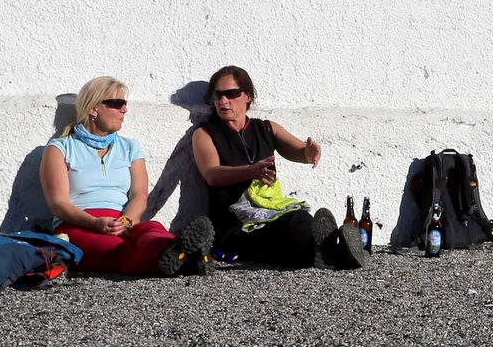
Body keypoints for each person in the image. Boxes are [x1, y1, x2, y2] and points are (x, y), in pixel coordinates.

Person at [190, 65, 366, 269]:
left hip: (271, 213)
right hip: (235, 225)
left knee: (300, 219)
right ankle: (336, 254)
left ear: (247, 96)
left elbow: (298, 150)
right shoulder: (205, 134)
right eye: (217, 95)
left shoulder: (266, 128)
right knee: (284, 234)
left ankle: (328, 253)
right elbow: (211, 174)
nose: (223, 101)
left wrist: (309, 153)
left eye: (231, 94)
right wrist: (249, 171)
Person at [40, 75, 214, 275]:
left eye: (124, 103)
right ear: (93, 108)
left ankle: (177, 251)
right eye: (117, 103)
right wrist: (95, 223)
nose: (124, 109)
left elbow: (139, 195)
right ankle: (187, 261)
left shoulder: (129, 147)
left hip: (122, 221)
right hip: (79, 224)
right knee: (119, 251)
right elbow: (58, 204)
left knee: (152, 230)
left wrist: (126, 220)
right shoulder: (60, 148)